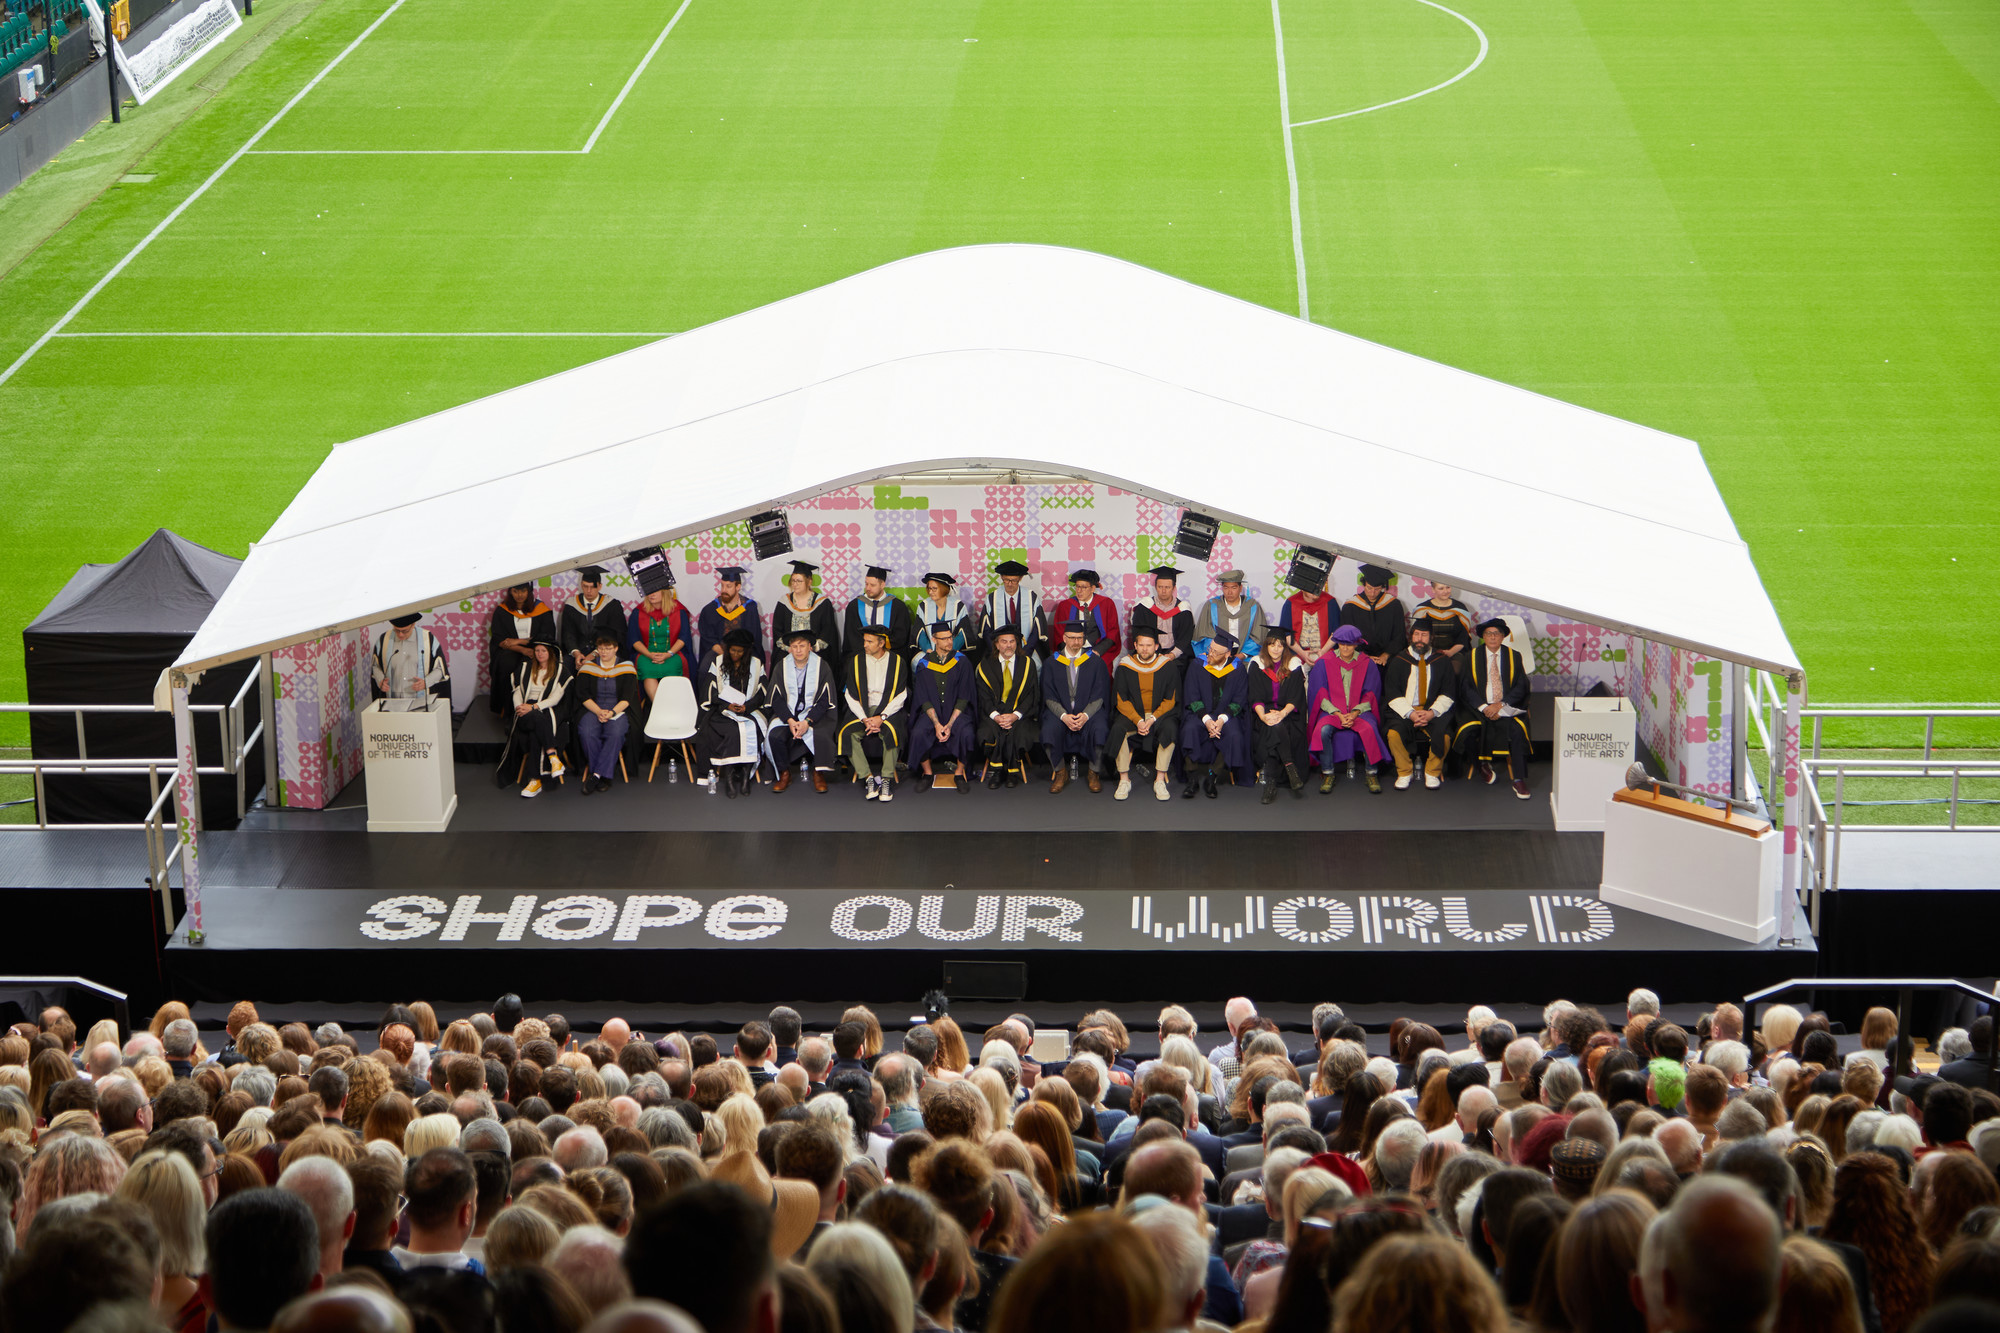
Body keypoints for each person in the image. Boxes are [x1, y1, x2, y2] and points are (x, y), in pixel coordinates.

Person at [1454, 618, 1532, 799]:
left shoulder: (1514, 656)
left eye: (1497, 633)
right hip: (1477, 707)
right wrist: (1484, 707)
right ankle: (1482, 764)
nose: (1493, 637)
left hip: (1506, 706)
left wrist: (1500, 705)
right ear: (1483, 636)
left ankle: (1519, 778)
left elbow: (1521, 686)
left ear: (1503, 636)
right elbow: (1465, 687)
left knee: (1518, 730)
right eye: (1489, 633)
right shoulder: (1471, 656)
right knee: (1469, 730)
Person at [1306, 624, 1386, 794]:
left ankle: (1371, 773)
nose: (1345, 648)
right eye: (1341, 644)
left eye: (1349, 645)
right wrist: (1337, 713)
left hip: (1360, 712)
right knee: (1323, 730)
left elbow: (1371, 694)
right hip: (1332, 712)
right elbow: (1320, 694)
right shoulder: (1324, 663)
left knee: (1370, 728)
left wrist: (1355, 712)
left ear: (1356, 644)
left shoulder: (1366, 663)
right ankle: (1328, 772)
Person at [1106, 626, 1179, 802]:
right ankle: (1124, 779)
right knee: (1118, 729)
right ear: (1135, 646)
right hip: (1134, 715)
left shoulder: (1167, 666)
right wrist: (1138, 720)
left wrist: (1152, 719)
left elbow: (1171, 699)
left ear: (1156, 646)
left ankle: (1160, 779)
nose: (1145, 649)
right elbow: (1121, 700)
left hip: (1159, 716)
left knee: (1170, 728)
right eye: (1141, 645)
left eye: (1149, 645)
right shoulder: (1125, 666)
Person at [1382, 621, 1457, 790]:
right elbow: (1392, 692)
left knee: (1444, 735)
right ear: (1411, 637)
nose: (1419, 639)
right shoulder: (1399, 660)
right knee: (1393, 734)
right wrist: (1410, 713)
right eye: (1416, 635)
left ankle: (1432, 772)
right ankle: (1404, 772)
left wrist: (1431, 713)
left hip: (1432, 710)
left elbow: (1449, 691)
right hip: (1406, 710)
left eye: (1424, 635)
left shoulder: (1441, 661)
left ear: (1431, 638)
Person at [841, 623, 910, 802]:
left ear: (881, 643)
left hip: (888, 709)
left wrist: (882, 717)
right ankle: (868, 778)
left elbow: (901, 695)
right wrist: (865, 719)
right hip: (862, 710)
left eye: (869, 642)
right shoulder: (856, 661)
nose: (865, 645)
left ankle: (886, 779)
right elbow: (850, 694)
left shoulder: (897, 662)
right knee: (847, 733)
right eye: (864, 641)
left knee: (893, 732)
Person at [1042, 620, 1110, 794]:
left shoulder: (1095, 662)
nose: (1076, 642)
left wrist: (1086, 715)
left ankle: (1094, 772)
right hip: (1061, 712)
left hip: (1089, 711)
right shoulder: (1051, 662)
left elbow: (1100, 694)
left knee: (1100, 728)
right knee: (1048, 730)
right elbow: (1048, 696)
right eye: (1072, 638)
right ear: (1064, 638)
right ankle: (1060, 772)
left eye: (1080, 638)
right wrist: (1064, 716)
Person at [699, 629, 769, 798]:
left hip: (748, 710)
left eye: (740, 651)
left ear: (746, 652)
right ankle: (730, 776)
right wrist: (727, 705)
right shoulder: (718, 662)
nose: (735, 654)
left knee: (751, 728)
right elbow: (710, 691)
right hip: (723, 710)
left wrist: (748, 707)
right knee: (732, 730)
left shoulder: (756, 664)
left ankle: (745, 775)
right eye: (732, 650)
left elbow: (762, 692)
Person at [1178, 631, 1249, 799]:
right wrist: (1207, 719)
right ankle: (1192, 778)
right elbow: (1192, 695)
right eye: (1210, 649)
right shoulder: (1197, 664)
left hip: (1226, 715)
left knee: (1234, 735)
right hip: (1200, 713)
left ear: (1227, 654)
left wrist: (1222, 720)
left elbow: (1239, 700)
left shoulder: (1237, 669)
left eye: (1215, 652)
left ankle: (1212, 776)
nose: (1210, 654)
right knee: (1189, 729)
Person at [498, 640, 571, 798]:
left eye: (543, 651)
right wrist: (520, 708)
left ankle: (534, 780)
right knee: (537, 720)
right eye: (537, 650)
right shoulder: (525, 668)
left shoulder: (559, 671)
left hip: (544, 708)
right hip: (524, 709)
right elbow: (517, 691)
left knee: (535, 734)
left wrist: (534, 707)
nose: (539, 654)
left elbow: (555, 698)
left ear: (550, 653)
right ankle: (553, 757)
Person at [767, 628, 836, 793]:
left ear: (810, 647)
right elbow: (776, 698)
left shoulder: (822, 666)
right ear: (790, 648)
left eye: (802, 646)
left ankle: (818, 772)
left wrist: (807, 721)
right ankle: (785, 773)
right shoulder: (781, 666)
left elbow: (826, 699)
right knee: (775, 736)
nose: (798, 650)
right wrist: (790, 720)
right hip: (789, 714)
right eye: (794, 646)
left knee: (822, 733)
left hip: (814, 715)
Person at [910, 621, 978, 790]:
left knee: (966, 732)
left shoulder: (962, 662)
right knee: (918, 732)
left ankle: (959, 774)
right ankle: (927, 773)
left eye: (950, 637)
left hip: (956, 712)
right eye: (945, 638)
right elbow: (923, 698)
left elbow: (964, 697)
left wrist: (948, 724)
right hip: (932, 713)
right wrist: (937, 724)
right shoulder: (924, 664)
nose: (949, 642)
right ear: (934, 640)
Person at [975, 625, 1040, 788]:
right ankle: (998, 771)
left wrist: (1015, 715)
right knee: (988, 732)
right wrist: (996, 716)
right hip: (993, 714)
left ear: (1017, 644)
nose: (1008, 645)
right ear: (996, 645)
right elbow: (983, 696)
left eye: (1012, 641)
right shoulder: (985, 665)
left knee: (1018, 732)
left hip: (1019, 714)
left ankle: (1011, 772)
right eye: (1004, 642)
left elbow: (1031, 695)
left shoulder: (1027, 664)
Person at [575, 633, 639, 793]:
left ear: (616, 649)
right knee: (587, 731)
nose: (604, 652)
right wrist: (598, 711)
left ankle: (596, 774)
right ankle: (603, 776)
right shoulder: (589, 667)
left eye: (608, 648)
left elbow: (627, 698)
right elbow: (583, 695)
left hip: (617, 709)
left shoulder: (626, 667)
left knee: (616, 733)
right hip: (593, 708)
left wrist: (611, 712)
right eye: (601, 649)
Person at [1249, 628, 1307, 802]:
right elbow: (1255, 696)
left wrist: (1281, 713)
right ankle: (1290, 767)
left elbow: (1296, 697)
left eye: (1280, 645)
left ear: (1285, 647)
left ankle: (1270, 784)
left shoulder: (1294, 665)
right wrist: (1263, 716)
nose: (1276, 649)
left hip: (1288, 714)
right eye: (1272, 645)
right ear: (1266, 645)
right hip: (1263, 714)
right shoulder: (1256, 664)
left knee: (1276, 727)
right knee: (1273, 727)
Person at [487, 582, 557, 715]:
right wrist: (522, 648)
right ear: (510, 592)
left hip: (536, 649)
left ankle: (535, 708)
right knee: (506, 664)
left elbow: (547, 636)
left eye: (523, 591)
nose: (519, 595)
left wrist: (517, 641)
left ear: (529, 591)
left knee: (530, 665)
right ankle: (508, 710)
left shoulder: (541, 609)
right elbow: (498, 639)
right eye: (515, 591)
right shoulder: (502, 610)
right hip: (512, 651)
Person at [630, 582, 694, 705]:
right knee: (647, 669)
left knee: (673, 667)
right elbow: (634, 640)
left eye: (655, 591)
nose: (651, 594)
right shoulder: (638, 612)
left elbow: (684, 637)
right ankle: (661, 708)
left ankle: (666, 709)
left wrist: (668, 654)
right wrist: (649, 655)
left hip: (672, 654)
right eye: (648, 591)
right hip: (647, 654)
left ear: (664, 592)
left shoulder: (678, 610)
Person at [771, 561, 840, 670]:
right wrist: (790, 648)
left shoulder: (822, 603)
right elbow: (777, 630)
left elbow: (828, 631)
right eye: (793, 580)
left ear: (809, 582)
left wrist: (812, 648)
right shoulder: (784, 602)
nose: (795, 584)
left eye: (799, 581)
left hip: (815, 652)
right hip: (789, 652)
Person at [1190, 570, 1267, 663]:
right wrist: (1219, 653)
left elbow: (1258, 637)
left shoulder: (1252, 606)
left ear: (1240, 587)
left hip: (1245, 657)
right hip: (1217, 657)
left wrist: (1242, 655)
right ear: (1222, 588)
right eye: (1226, 587)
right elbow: (1203, 636)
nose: (1229, 592)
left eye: (1234, 587)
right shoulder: (1212, 605)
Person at [843, 565, 915, 663]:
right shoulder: (854, 606)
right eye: (866, 584)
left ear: (882, 585)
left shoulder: (898, 607)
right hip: (862, 656)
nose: (868, 588)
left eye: (872, 585)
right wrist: (869, 649)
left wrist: (880, 649)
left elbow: (901, 636)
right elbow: (852, 636)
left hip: (889, 656)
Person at [371, 613, 450, 702]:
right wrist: (380, 680)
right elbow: (375, 666)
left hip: (421, 701)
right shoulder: (384, 640)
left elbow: (440, 669)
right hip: (392, 701)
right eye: (397, 630)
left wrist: (426, 682)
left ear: (413, 625)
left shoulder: (428, 639)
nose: (400, 634)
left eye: (405, 631)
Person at [1340, 564, 1408, 666]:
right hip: (1359, 659)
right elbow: (1347, 636)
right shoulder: (1350, 606)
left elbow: (1399, 635)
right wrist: (1364, 656)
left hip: (1388, 660)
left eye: (1377, 589)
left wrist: (1386, 655)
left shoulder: (1393, 605)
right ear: (1364, 584)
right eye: (1369, 588)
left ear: (1383, 587)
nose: (1372, 593)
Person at [980, 561, 1050, 660]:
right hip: (999, 650)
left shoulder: (1031, 597)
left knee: (1036, 666)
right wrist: (996, 650)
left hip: (1027, 648)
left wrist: (1026, 651)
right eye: (1006, 580)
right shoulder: (992, 598)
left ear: (1020, 578)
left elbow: (1037, 629)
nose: (1009, 584)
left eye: (1014, 580)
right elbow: (986, 630)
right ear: (1001, 577)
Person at [562, 567, 629, 670]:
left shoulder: (611, 605)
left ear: (600, 586)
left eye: (593, 587)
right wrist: (576, 653)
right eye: (585, 586)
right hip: (579, 651)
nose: (589, 591)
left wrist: (595, 654)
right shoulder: (571, 605)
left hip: (604, 651)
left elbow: (615, 634)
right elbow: (568, 633)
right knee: (565, 664)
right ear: (581, 585)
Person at [1127, 566, 1195, 664]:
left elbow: (1185, 638)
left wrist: (1173, 654)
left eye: (1167, 587)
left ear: (1174, 588)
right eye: (1160, 587)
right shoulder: (1144, 607)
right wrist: (1151, 652)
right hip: (1150, 654)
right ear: (1155, 587)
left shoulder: (1183, 609)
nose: (1163, 591)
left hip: (1176, 657)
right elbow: (1138, 634)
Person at [1049, 570, 1120, 661]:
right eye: (1077, 586)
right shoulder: (1065, 606)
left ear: (1093, 588)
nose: (1079, 591)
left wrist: (1098, 651)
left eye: (1083, 587)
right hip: (1072, 652)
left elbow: (1113, 632)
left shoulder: (1106, 604)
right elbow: (1059, 633)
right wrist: (1069, 653)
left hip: (1098, 651)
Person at [699, 567, 765, 665]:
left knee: (753, 665)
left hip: (743, 652)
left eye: (728, 586)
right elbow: (708, 638)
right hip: (719, 653)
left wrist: (738, 653)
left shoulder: (749, 608)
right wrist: (724, 654)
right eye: (722, 585)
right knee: (705, 668)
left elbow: (754, 637)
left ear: (738, 587)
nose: (724, 590)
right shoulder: (710, 609)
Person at [1276, 578, 1338, 669]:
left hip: (1326, 652)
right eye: (1312, 587)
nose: (1316, 590)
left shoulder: (1330, 602)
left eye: (1319, 586)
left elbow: (1336, 632)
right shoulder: (1291, 603)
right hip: (1297, 654)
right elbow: (1286, 634)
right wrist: (1302, 653)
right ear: (1302, 588)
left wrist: (1322, 652)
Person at [915, 574, 974, 663]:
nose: (930, 592)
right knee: (918, 662)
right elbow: (920, 632)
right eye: (929, 588)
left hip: (952, 650)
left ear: (943, 589)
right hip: (930, 651)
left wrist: (949, 650)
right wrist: (928, 650)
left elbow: (963, 633)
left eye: (934, 589)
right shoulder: (923, 606)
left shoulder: (958, 606)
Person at [1411, 583, 1475, 658]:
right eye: (1441, 588)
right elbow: (1418, 637)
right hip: (1428, 653)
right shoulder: (1422, 609)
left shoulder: (1460, 608)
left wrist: (1451, 652)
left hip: (1455, 653)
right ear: (1433, 590)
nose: (1445, 591)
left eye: (1448, 587)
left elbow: (1463, 638)